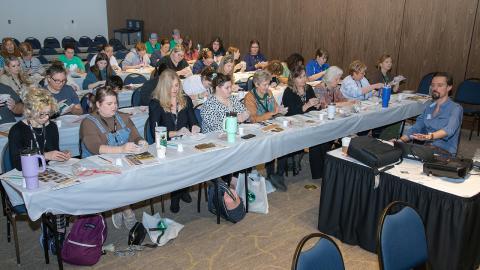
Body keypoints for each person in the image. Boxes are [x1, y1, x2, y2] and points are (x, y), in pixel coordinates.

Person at [4, 88, 69, 242]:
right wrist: (45, 156)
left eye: (48, 113)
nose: (46, 118)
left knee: (66, 187)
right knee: (54, 193)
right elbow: (18, 164)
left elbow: (54, 151)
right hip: (25, 175)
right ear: (28, 111)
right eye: (42, 114)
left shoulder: (51, 126)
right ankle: (53, 228)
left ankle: (58, 229)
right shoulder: (17, 130)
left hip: (46, 172)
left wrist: (62, 155)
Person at [80, 87, 147, 229]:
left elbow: (135, 136)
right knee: (117, 178)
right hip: (96, 165)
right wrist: (121, 149)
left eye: (115, 103)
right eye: (109, 104)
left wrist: (142, 142)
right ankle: (125, 208)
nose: (114, 107)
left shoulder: (123, 117)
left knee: (136, 173)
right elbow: (95, 148)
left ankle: (119, 205)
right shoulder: (88, 122)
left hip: (120, 162)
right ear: (98, 105)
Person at [148, 69, 201, 212]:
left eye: (177, 85)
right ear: (163, 87)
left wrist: (195, 127)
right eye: (170, 86)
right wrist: (176, 132)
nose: (174, 89)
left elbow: (194, 121)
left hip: (184, 142)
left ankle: (183, 189)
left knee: (194, 159)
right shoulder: (156, 103)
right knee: (177, 164)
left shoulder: (185, 99)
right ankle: (175, 196)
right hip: (166, 144)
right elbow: (156, 133)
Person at [279, 65, 329, 185]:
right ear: (294, 79)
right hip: (294, 123)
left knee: (324, 135)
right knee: (316, 138)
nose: (303, 79)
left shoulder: (308, 88)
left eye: (304, 76)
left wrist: (317, 105)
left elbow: (314, 107)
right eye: (300, 77)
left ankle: (325, 169)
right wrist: (307, 105)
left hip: (308, 121)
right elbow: (289, 112)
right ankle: (318, 172)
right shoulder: (289, 91)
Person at [399, 72, 463, 156]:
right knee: (398, 152)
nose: (435, 88)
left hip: (444, 152)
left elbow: (449, 130)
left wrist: (429, 136)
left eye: (440, 85)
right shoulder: (429, 107)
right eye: (433, 85)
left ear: (449, 87)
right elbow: (417, 127)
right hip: (427, 149)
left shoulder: (456, 108)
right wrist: (400, 141)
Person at [244, 70, 287, 189]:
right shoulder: (250, 97)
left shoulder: (268, 93)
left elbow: (275, 107)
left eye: (268, 84)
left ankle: (279, 174)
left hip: (269, 124)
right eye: (265, 84)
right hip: (256, 128)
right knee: (270, 143)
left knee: (283, 140)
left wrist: (280, 110)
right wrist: (272, 113)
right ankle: (271, 173)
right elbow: (253, 119)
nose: (267, 87)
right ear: (256, 84)